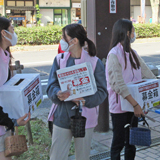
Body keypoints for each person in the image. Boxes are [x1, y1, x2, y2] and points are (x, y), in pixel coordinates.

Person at [46, 23, 107, 160]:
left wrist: (85, 101)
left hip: (85, 118)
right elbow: (51, 86)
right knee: (56, 156)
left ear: (74, 41)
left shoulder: (95, 62)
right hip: (62, 115)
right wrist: (58, 93)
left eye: (64, 37)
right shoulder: (59, 60)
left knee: (83, 156)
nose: (61, 40)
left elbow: (102, 92)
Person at [105, 19, 156, 160]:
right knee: (118, 142)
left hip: (134, 106)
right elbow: (118, 85)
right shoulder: (114, 54)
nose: (134, 34)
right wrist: (135, 104)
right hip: (121, 107)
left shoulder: (132, 53)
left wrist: (156, 89)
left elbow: (147, 74)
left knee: (131, 142)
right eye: (133, 31)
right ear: (127, 33)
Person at [0, 17, 31, 160]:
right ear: (3, 33)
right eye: (12, 29)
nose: (14, 32)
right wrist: (10, 122)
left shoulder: (5, 55)